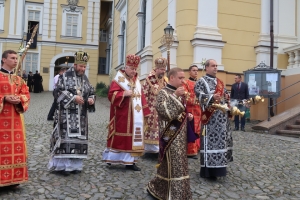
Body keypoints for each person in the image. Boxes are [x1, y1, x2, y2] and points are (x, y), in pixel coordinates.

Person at [147, 68, 194, 200]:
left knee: (179, 165)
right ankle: (170, 194)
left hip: (181, 134)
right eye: (180, 78)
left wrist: (188, 116)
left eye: (183, 78)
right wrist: (175, 97)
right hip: (169, 134)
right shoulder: (163, 93)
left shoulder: (180, 92)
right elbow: (166, 113)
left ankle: (176, 192)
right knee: (172, 165)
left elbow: (181, 112)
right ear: (171, 78)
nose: (183, 81)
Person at [48, 51, 95, 175]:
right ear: (75, 64)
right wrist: (73, 98)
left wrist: (91, 99)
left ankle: (75, 166)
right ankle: (62, 167)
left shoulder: (85, 78)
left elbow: (91, 91)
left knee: (78, 140)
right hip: (66, 115)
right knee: (66, 139)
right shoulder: (64, 76)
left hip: (81, 116)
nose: (82, 69)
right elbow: (57, 92)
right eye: (80, 66)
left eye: (84, 66)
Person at [102, 54, 150, 171]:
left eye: (135, 69)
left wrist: (146, 111)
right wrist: (123, 94)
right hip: (122, 115)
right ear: (126, 67)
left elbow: (142, 96)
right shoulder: (118, 80)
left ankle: (130, 162)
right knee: (120, 137)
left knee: (133, 138)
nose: (134, 71)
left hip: (135, 117)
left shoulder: (137, 81)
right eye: (132, 69)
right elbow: (111, 95)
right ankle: (112, 158)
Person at [194, 59, 233, 179]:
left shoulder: (220, 82)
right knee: (209, 143)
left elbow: (226, 97)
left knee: (221, 144)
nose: (215, 68)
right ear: (206, 68)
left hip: (221, 120)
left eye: (216, 66)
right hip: (209, 120)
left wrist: (228, 102)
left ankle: (220, 169)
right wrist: (211, 97)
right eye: (213, 66)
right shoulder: (201, 81)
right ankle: (208, 171)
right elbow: (198, 95)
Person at [0, 50, 30, 188]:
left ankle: (14, 179)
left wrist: (19, 99)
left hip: (16, 121)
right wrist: (4, 98)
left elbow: (26, 95)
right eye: (12, 58)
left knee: (16, 148)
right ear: (4, 59)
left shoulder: (19, 79)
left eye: (16, 58)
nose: (15, 60)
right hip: (1, 120)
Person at [142, 57, 168, 153]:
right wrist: (145, 109)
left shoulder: (165, 80)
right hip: (151, 109)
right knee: (150, 128)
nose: (163, 71)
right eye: (161, 69)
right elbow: (144, 95)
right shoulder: (149, 80)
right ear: (156, 69)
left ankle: (159, 148)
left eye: (164, 69)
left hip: (161, 109)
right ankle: (149, 149)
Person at [183, 65, 201, 159]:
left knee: (199, 130)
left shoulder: (200, 82)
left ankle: (198, 148)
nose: (196, 72)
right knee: (191, 130)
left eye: (197, 71)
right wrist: (196, 98)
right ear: (189, 72)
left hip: (199, 110)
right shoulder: (186, 82)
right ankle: (191, 151)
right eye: (193, 70)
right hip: (191, 110)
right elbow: (185, 95)